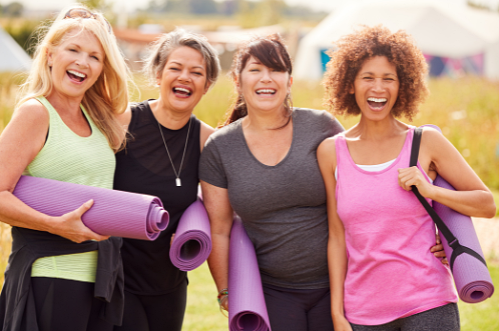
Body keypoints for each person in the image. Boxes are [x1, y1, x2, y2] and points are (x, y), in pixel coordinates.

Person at [317, 25, 496, 331]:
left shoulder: (425, 141)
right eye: (368, 78)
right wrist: (337, 313)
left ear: (403, 86)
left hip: (428, 303)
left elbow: (486, 204)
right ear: (350, 84)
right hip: (362, 311)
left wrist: (432, 191)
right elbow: (336, 237)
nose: (378, 88)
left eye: (389, 79)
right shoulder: (331, 152)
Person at [199, 34, 344, 331]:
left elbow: (363, 194)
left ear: (289, 81)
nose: (266, 78)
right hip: (271, 290)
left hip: (340, 283)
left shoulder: (322, 126)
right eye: (255, 69)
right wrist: (226, 290)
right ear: (238, 81)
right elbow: (220, 229)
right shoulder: (220, 147)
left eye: (276, 69)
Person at [0, 5, 130, 331]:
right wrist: (54, 224)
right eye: (73, 49)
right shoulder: (35, 113)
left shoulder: (98, 119)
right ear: (49, 55)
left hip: (101, 277)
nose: (82, 62)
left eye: (94, 56)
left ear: (103, 67)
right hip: (51, 277)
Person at [112, 28, 220, 331]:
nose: (185, 77)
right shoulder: (122, 122)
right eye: (175, 68)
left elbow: (220, 212)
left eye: (196, 72)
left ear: (207, 85)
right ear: (158, 74)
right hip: (117, 278)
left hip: (170, 281)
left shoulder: (207, 140)